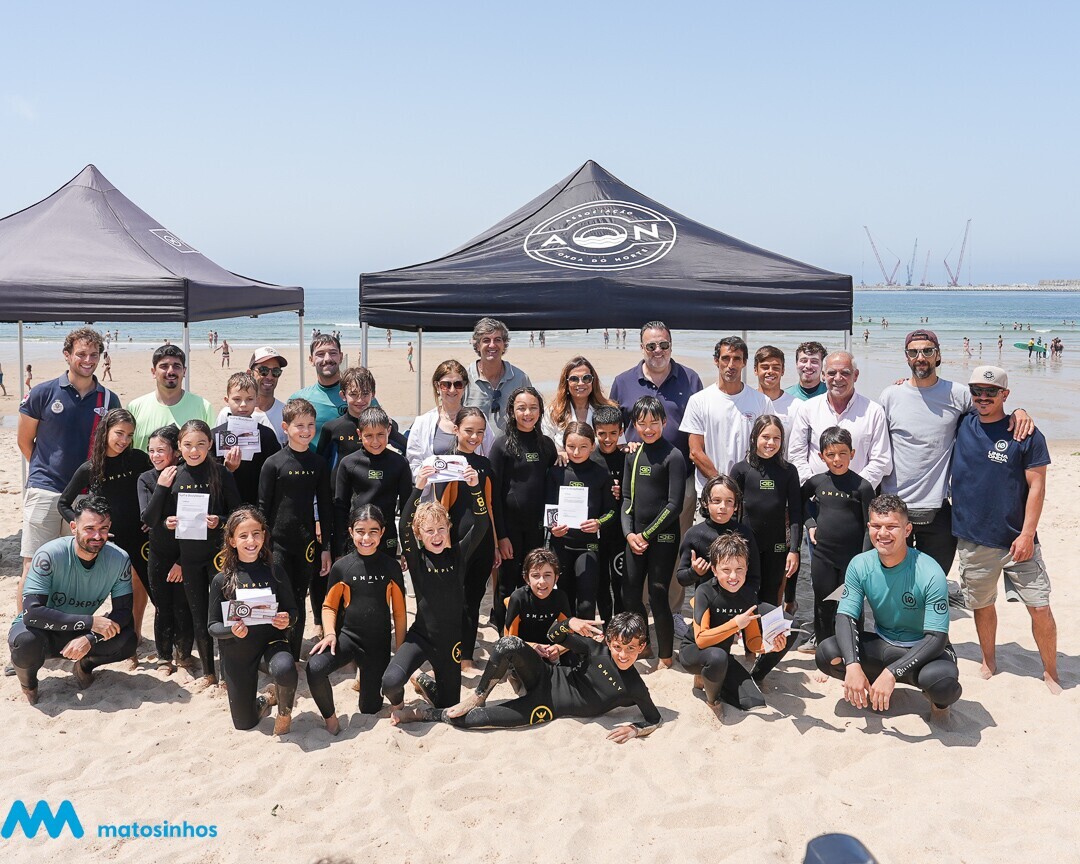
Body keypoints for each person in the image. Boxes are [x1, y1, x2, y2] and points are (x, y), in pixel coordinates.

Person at [879, 330, 1032, 580]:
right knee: (893, 579)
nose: (920, 357)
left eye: (927, 351)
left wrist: (1019, 411)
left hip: (937, 508)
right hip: (895, 506)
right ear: (906, 357)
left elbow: (991, 409)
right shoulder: (890, 395)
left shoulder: (958, 394)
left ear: (938, 355)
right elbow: (877, 447)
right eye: (913, 352)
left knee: (933, 581)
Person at [950, 366, 1058, 693]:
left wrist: (1027, 534)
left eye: (991, 392)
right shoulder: (962, 423)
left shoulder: (1025, 433)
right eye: (977, 391)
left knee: (1039, 606)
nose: (983, 397)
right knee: (982, 605)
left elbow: (1037, 487)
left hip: (1017, 540)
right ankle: (989, 659)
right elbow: (930, 397)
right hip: (974, 538)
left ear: (1005, 395)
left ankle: (1051, 671)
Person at [392, 612, 660, 743]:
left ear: (641, 647)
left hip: (546, 707)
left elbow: (653, 717)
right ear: (608, 640)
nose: (623, 655)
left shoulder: (634, 685)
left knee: (467, 722)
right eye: (618, 647)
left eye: (631, 649)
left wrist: (634, 729)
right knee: (508, 644)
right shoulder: (596, 648)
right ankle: (478, 695)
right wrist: (570, 624)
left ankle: (423, 713)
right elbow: (554, 634)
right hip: (544, 675)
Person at [15, 327, 120, 658]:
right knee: (33, 567)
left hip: (85, 500)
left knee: (70, 570)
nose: (87, 361)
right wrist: (48, 475)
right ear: (67, 355)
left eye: (93, 355)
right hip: (46, 491)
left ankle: (59, 636)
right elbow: (24, 440)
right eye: (81, 354)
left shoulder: (108, 399)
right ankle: (23, 637)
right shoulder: (43, 393)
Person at [815, 495, 962, 715]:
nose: (883, 533)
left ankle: (937, 707)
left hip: (923, 650)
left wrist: (891, 673)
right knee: (827, 653)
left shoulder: (930, 571)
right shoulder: (860, 564)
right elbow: (845, 617)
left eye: (892, 526)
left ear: (908, 529)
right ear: (869, 527)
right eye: (876, 526)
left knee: (943, 684)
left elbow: (936, 638)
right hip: (883, 644)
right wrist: (853, 665)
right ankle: (870, 684)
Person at [381, 462, 488, 710]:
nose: (437, 535)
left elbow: (481, 524)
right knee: (390, 682)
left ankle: (424, 681)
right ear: (419, 534)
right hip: (421, 637)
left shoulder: (458, 555)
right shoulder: (417, 560)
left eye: (441, 528)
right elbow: (403, 525)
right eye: (429, 530)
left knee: (447, 705)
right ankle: (400, 704)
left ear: (449, 528)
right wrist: (419, 486)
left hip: (451, 643)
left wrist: (474, 488)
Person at [9, 496, 137, 703]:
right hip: (40, 630)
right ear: (73, 527)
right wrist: (91, 622)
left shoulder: (119, 558)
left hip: (78, 632)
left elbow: (123, 611)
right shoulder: (49, 554)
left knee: (128, 639)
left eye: (103, 529)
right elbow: (31, 613)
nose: (97, 535)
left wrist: (90, 637)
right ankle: (29, 685)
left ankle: (84, 666)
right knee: (25, 643)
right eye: (89, 528)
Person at [148, 419, 240, 684]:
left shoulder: (221, 474)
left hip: (217, 556)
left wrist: (220, 521)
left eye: (201, 444)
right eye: (187, 445)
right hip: (189, 558)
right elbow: (155, 518)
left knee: (224, 612)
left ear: (210, 444)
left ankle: (227, 672)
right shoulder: (172, 475)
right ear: (178, 447)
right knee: (198, 614)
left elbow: (237, 512)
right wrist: (167, 514)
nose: (194, 450)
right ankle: (209, 673)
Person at [57, 409, 153, 648]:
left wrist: (152, 516)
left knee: (142, 584)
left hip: (140, 536)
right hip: (109, 540)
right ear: (106, 431)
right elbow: (64, 503)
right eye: (119, 433)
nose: (124, 440)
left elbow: (157, 485)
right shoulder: (90, 468)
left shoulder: (139, 459)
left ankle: (136, 633)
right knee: (120, 590)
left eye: (129, 435)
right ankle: (121, 637)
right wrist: (86, 530)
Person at [307, 503, 407, 733]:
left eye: (373, 531)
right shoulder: (343, 567)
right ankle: (331, 719)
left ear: (382, 532)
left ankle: (369, 681)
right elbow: (329, 606)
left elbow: (400, 613)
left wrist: (400, 650)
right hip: (348, 638)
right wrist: (330, 633)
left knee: (369, 708)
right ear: (351, 531)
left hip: (377, 646)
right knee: (314, 668)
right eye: (360, 531)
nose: (366, 537)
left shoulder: (390, 566)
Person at [610, 322, 703, 555]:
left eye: (663, 344)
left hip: (682, 481)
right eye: (651, 346)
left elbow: (701, 429)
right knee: (638, 547)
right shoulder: (623, 382)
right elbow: (612, 429)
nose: (658, 350)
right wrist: (623, 446)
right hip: (637, 480)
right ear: (642, 347)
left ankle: (672, 594)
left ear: (671, 346)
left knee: (676, 550)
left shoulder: (691, 379)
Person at [208, 508, 298, 733]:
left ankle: (284, 714)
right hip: (238, 652)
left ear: (264, 535)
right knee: (244, 724)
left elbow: (294, 611)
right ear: (231, 540)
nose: (251, 540)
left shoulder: (276, 572)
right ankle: (267, 698)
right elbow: (213, 626)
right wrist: (231, 630)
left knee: (285, 669)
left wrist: (287, 620)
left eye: (256, 534)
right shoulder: (222, 580)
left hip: (271, 644)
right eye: (243, 535)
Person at [679, 533, 790, 714]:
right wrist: (735, 624)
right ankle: (712, 701)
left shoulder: (747, 596)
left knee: (753, 701)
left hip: (722, 655)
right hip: (693, 652)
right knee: (717, 657)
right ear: (714, 569)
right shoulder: (704, 592)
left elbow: (753, 642)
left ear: (747, 569)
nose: (733, 576)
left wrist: (771, 647)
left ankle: (710, 679)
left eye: (739, 569)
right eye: (726, 569)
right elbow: (700, 640)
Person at [258, 398, 333, 657]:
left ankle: (294, 649)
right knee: (278, 597)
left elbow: (325, 508)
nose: (305, 430)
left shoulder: (318, 464)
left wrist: (326, 549)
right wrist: (261, 546)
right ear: (285, 427)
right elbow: (262, 508)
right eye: (299, 425)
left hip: (307, 544)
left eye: (310, 425)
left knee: (299, 598)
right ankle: (276, 649)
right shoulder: (273, 463)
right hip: (277, 543)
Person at [620, 396, 687, 666]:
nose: (648, 429)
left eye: (654, 423)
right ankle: (643, 646)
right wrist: (629, 535)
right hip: (634, 537)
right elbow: (626, 499)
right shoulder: (633, 455)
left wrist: (646, 535)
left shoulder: (673, 456)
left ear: (664, 422)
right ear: (634, 424)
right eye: (642, 423)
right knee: (630, 593)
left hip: (664, 538)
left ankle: (666, 656)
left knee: (658, 593)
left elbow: (675, 505)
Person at [434, 406, 501, 671]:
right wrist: (442, 544)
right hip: (455, 541)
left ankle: (466, 658)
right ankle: (447, 654)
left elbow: (490, 507)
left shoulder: (484, 465)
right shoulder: (446, 461)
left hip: (483, 543)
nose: (474, 437)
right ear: (456, 429)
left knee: (473, 601)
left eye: (480, 432)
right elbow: (441, 507)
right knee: (453, 601)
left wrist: (495, 544)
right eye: (469, 431)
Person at [489, 387, 558, 631]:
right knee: (508, 581)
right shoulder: (501, 446)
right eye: (521, 408)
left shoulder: (547, 445)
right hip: (510, 527)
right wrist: (501, 536)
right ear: (511, 411)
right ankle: (503, 629)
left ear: (540, 411)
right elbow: (494, 496)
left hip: (536, 527)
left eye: (533, 408)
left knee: (532, 577)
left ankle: (525, 626)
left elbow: (554, 480)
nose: (527, 413)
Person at [801, 427, 874, 648]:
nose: (837, 459)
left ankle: (853, 649)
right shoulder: (817, 483)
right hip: (823, 556)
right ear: (821, 456)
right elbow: (800, 504)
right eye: (831, 454)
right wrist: (811, 523)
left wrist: (863, 561)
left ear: (852, 453)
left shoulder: (863, 487)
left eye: (843, 453)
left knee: (852, 606)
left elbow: (869, 526)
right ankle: (824, 650)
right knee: (823, 604)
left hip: (852, 560)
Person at [681, 335, 774, 495]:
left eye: (737, 359)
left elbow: (768, 448)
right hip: (710, 492)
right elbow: (695, 452)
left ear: (744, 362)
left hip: (750, 492)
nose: (731, 365)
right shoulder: (698, 401)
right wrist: (722, 485)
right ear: (716, 361)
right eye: (725, 358)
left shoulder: (762, 402)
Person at [788, 351, 892, 489]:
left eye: (845, 373)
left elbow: (881, 461)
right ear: (823, 376)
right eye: (831, 373)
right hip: (815, 498)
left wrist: (856, 489)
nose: (838, 378)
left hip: (857, 498)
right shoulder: (807, 409)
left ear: (855, 375)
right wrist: (814, 487)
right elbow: (796, 455)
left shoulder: (874, 411)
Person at [545, 422, 617, 620]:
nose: (577, 452)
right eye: (571, 446)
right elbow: (549, 506)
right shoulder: (556, 472)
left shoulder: (601, 473)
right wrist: (553, 527)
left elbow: (612, 511)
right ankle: (565, 645)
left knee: (586, 602)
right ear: (564, 445)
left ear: (592, 446)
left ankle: (585, 648)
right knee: (563, 598)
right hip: (561, 544)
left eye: (583, 447)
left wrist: (599, 523)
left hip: (588, 546)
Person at [730, 415, 802, 609]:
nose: (770, 443)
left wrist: (793, 550)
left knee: (771, 595)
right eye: (765, 437)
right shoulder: (741, 470)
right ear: (754, 437)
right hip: (746, 544)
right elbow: (731, 513)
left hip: (777, 547)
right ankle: (747, 636)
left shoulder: (788, 471)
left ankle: (768, 637)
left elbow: (796, 513)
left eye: (776, 438)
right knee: (745, 593)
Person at [137, 424, 193, 673]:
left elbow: (195, 521)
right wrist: (161, 486)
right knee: (162, 606)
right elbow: (147, 518)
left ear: (176, 452)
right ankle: (163, 656)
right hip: (159, 552)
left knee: (184, 606)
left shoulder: (188, 475)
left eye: (161, 450)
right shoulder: (147, 478)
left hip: (187, 552)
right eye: (151, 450)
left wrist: (182, 560)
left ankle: (183, 654)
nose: (155, 455)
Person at [332, 407, 412, 559]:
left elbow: (406, 509)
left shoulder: (400, 463)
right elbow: (340, 508)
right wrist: (339, 549)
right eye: (369, 435)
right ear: (359, 434)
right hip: (357, 539)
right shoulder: (348, 463)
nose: (375, 441)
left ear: (388, 431)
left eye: (380, 435)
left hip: (387, 540)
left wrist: (407, 550)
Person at [317, 367, 407, 483]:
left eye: (365, 393)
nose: (360, 400)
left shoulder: (385, 426)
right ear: (343, 395)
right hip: (340, 497)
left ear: (373, 394)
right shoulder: (332, 428)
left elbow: (408, 450)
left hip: (377, 495)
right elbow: (321, 466)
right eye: (353, 394)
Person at [406, 360, 495, 476]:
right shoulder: (422, 423)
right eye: (446, 385)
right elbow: (414, 465)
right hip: (434, 492)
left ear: (464, 387)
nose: (452, 390)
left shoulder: (478, 419)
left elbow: (490, 456)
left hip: (472, 491)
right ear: (437, 386)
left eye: (458, 384)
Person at [676, 475, 761, 593]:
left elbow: (754, 577)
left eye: (729, 501)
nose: (723, 507)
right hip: (706, 602)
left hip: (740, 601)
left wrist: (746, 598)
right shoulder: (694, 535)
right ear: (705, 502)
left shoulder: (745, 534)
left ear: (736, 506)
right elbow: (681, 578)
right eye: (716, 501)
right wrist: (694, 572)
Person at [211, 372, 281, 507]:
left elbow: (274, 472)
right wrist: (227, 469)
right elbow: (209, 475)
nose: (243, 405)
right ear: (227, 400)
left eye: (249, 399)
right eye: (237, 399)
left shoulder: (267, 435)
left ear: (257, 400)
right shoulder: (215, 435)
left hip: (257, 502)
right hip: (224, 505)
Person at [127, 344, 214, 452]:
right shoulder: (135, 407)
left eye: (176, 366)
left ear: (184, 371)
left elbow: (211, 452)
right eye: (164, 366)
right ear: (153, 372)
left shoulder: (203, 406)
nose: (171, 371)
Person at [463, 318, 532, 434]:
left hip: (511, 450)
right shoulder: (463, 379)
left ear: (504, 345)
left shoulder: (520, 378)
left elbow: (532, 415)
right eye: (486, 340)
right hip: (473, 448)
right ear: (478, 345)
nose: (492, 345)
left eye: (497, 340)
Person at [540, 355, 618, 458]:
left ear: (593, 381)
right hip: (563, 471)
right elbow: (545, 448)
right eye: (574, 379)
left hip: (601, 470)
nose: (580, 383)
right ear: (566, 383)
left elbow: (620, 444)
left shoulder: (608, 410)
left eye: (586, 378)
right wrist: (557, 454)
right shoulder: (552, 413)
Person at [592, 405, 628, 621]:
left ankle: (620, 625)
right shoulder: (589, 458)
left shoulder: (628, 458)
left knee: (620, 582)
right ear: (595, 431)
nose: (607, 439)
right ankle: (606, 625)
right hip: (595, 534)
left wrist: (623, 492)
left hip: (619, 534)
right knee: (600, 584)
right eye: (602, 434)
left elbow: (636, 493)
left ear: (621, 431)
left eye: (613, 433)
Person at [504, 548, 572, 660]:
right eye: (536, 575)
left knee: (573, 656)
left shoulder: (560, 598)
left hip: (546, 648)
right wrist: (532, 646)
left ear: (556, 578)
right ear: (527, 579)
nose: (542, 581)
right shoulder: (518, 598)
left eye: (547, 575)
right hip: (521, 648)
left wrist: (558, 648)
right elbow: (509, 639)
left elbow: (569, 633)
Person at [215, 347, 290, 445]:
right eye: (264, 370)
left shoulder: (285, 413)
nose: (269, 377)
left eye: (276, 371)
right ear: (250, 373)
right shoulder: (227, 413)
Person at [288, 333, 346, 445]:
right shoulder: (298, 399)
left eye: (333, 353)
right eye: (320, 354)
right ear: (311, 360)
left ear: (341, 357)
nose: (327, 359)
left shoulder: (358, 397)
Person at [752, 345, 798, 442]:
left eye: (776, 368)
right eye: (765, 367)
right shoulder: (747, 402)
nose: (770, 371)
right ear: (755, 370)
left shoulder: (797, 406)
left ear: (783, 371)